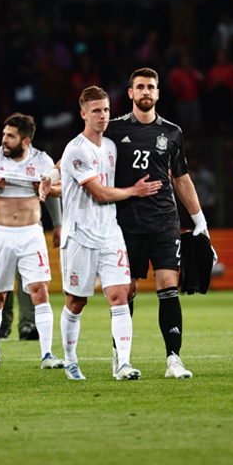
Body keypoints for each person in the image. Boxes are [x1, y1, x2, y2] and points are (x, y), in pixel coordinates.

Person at [42, 86, 162, 381]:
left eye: (106, 110)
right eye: (96, 111)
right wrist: (134, 191)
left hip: (110, 234)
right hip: (79, 237)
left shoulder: (110, 145)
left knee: (120, 295)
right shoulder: (76, 149)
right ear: (83, 114)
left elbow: (62, 167)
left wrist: (53, 176)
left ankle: (123, 364)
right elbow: (98, 193)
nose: (103, 115)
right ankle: (70, 360)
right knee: (76, 302)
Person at [106, 67, 210, 379]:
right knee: (128, 290)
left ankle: (173, 360)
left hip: (165, 221)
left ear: (158, 93)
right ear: (130, 93)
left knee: (168, 286)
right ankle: (120, 356)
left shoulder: (173, 132)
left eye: (151, 87)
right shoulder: (113, 130)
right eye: (140, 87)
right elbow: (83, 150)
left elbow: (181, 178)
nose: (146, 92)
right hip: (127, 223)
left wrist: (199, 220)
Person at [0, 113, 63, 370]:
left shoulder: (42, 160)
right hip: (0, 233)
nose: (4, 140)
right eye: (4, 134)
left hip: (31, 233)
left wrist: (45, 187)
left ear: (26, 141)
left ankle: (47, 354)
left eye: (11, 136)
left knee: (40, 290)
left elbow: (62, 188)